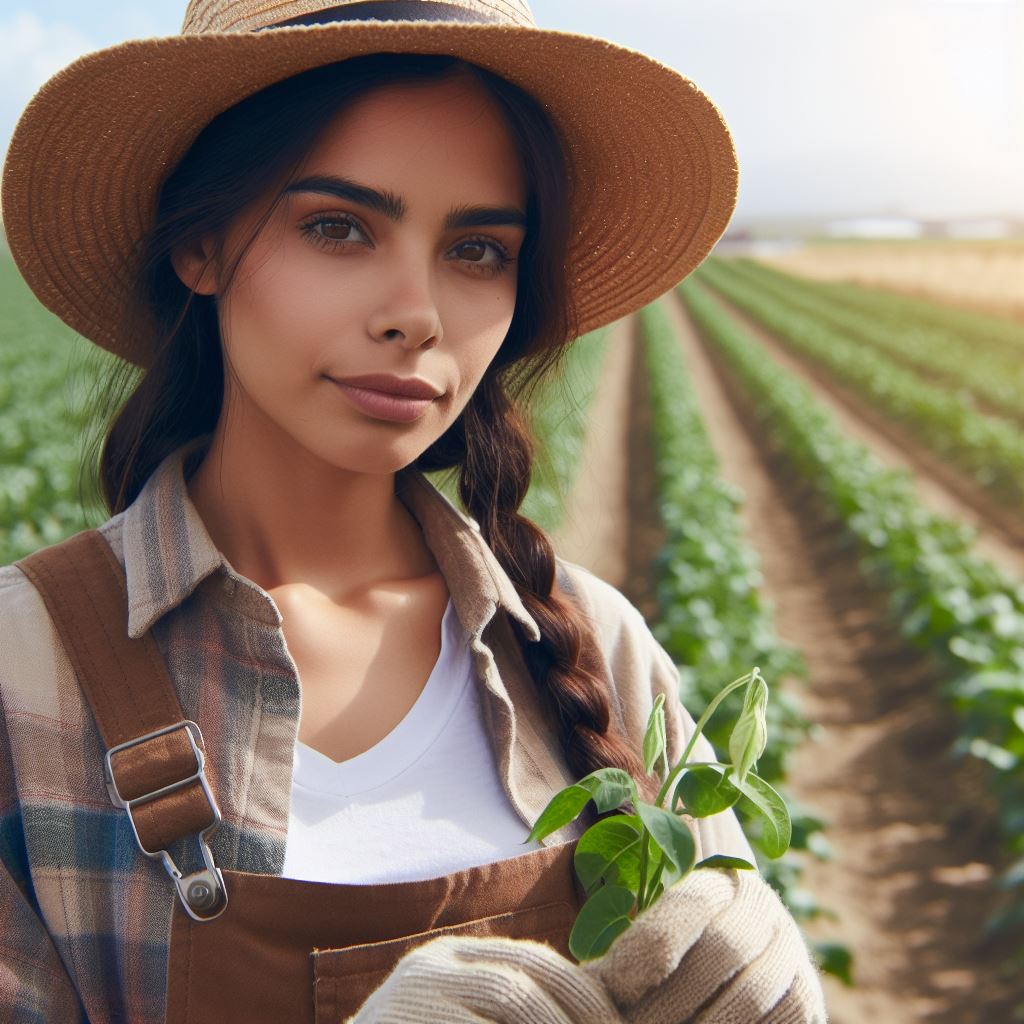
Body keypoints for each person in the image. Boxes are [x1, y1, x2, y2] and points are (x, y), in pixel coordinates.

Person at [0, 1, 828, 1021]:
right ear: (199, 244)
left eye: (476, 249)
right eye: (339, 226)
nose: (418, 312)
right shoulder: (25, 681)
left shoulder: (594, 645)